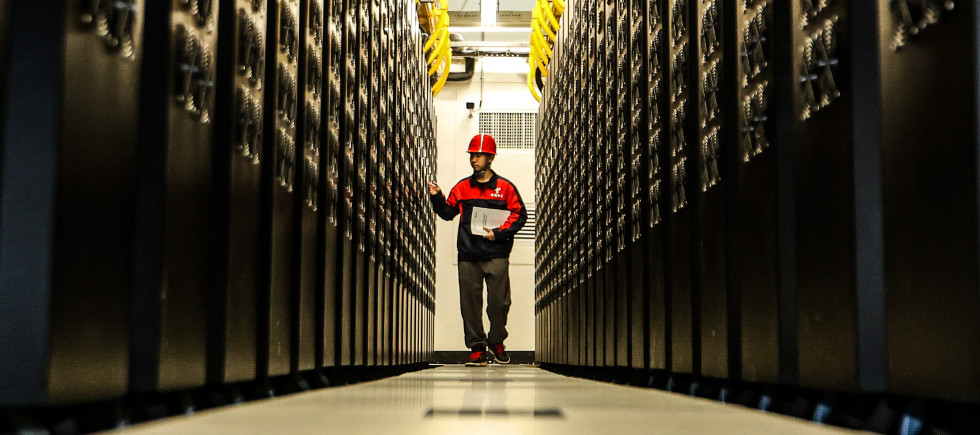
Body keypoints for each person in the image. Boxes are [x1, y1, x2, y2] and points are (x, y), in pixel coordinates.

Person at [428, 133, 528, 366]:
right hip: (469, 255)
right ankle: (477, 348)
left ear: (490, 158)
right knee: (470, 304)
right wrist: (437, 197)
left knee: (500, 303)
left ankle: (496, 340)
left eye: (479, 155)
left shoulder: (505, 188)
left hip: (496, 254)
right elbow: (447, 213)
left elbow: (519, 215)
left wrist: (499, 233)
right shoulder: (462, 188)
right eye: (472, 155)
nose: (474, 159)